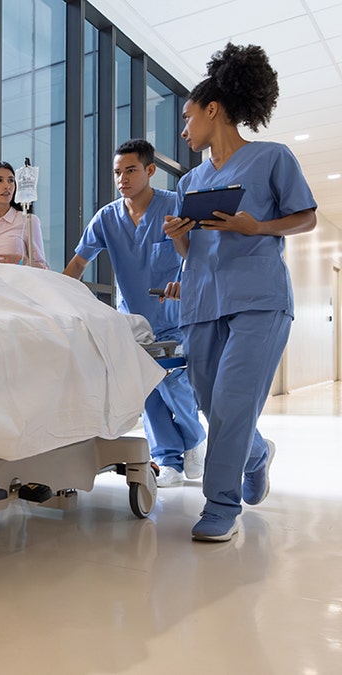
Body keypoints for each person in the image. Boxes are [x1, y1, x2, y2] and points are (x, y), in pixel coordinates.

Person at [162, 43, 317, 542]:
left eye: (188, 118)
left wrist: (258, 227)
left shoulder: (272, 157)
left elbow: (307, 216)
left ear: (214, 110)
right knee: (211, 406)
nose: (184, 130)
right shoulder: (192, 180)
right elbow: (194, 255)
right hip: (202, 304)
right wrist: (179, 237)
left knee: (230, 404)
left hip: (259, 301)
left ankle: (220, 506)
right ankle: (257, 452)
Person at [62, 139, 206, 488]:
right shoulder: (107, 218)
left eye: (130, 170)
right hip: (132, 321)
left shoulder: (175, 206)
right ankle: (167, 458)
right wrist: (57, 297)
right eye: (117, 172)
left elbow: (201, 252)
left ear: (150, 170)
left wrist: (187, 280)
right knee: (146, 390)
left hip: (173, 314)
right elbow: (79, 262)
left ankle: (196, 438)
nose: (122, 178)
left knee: (173, 382)